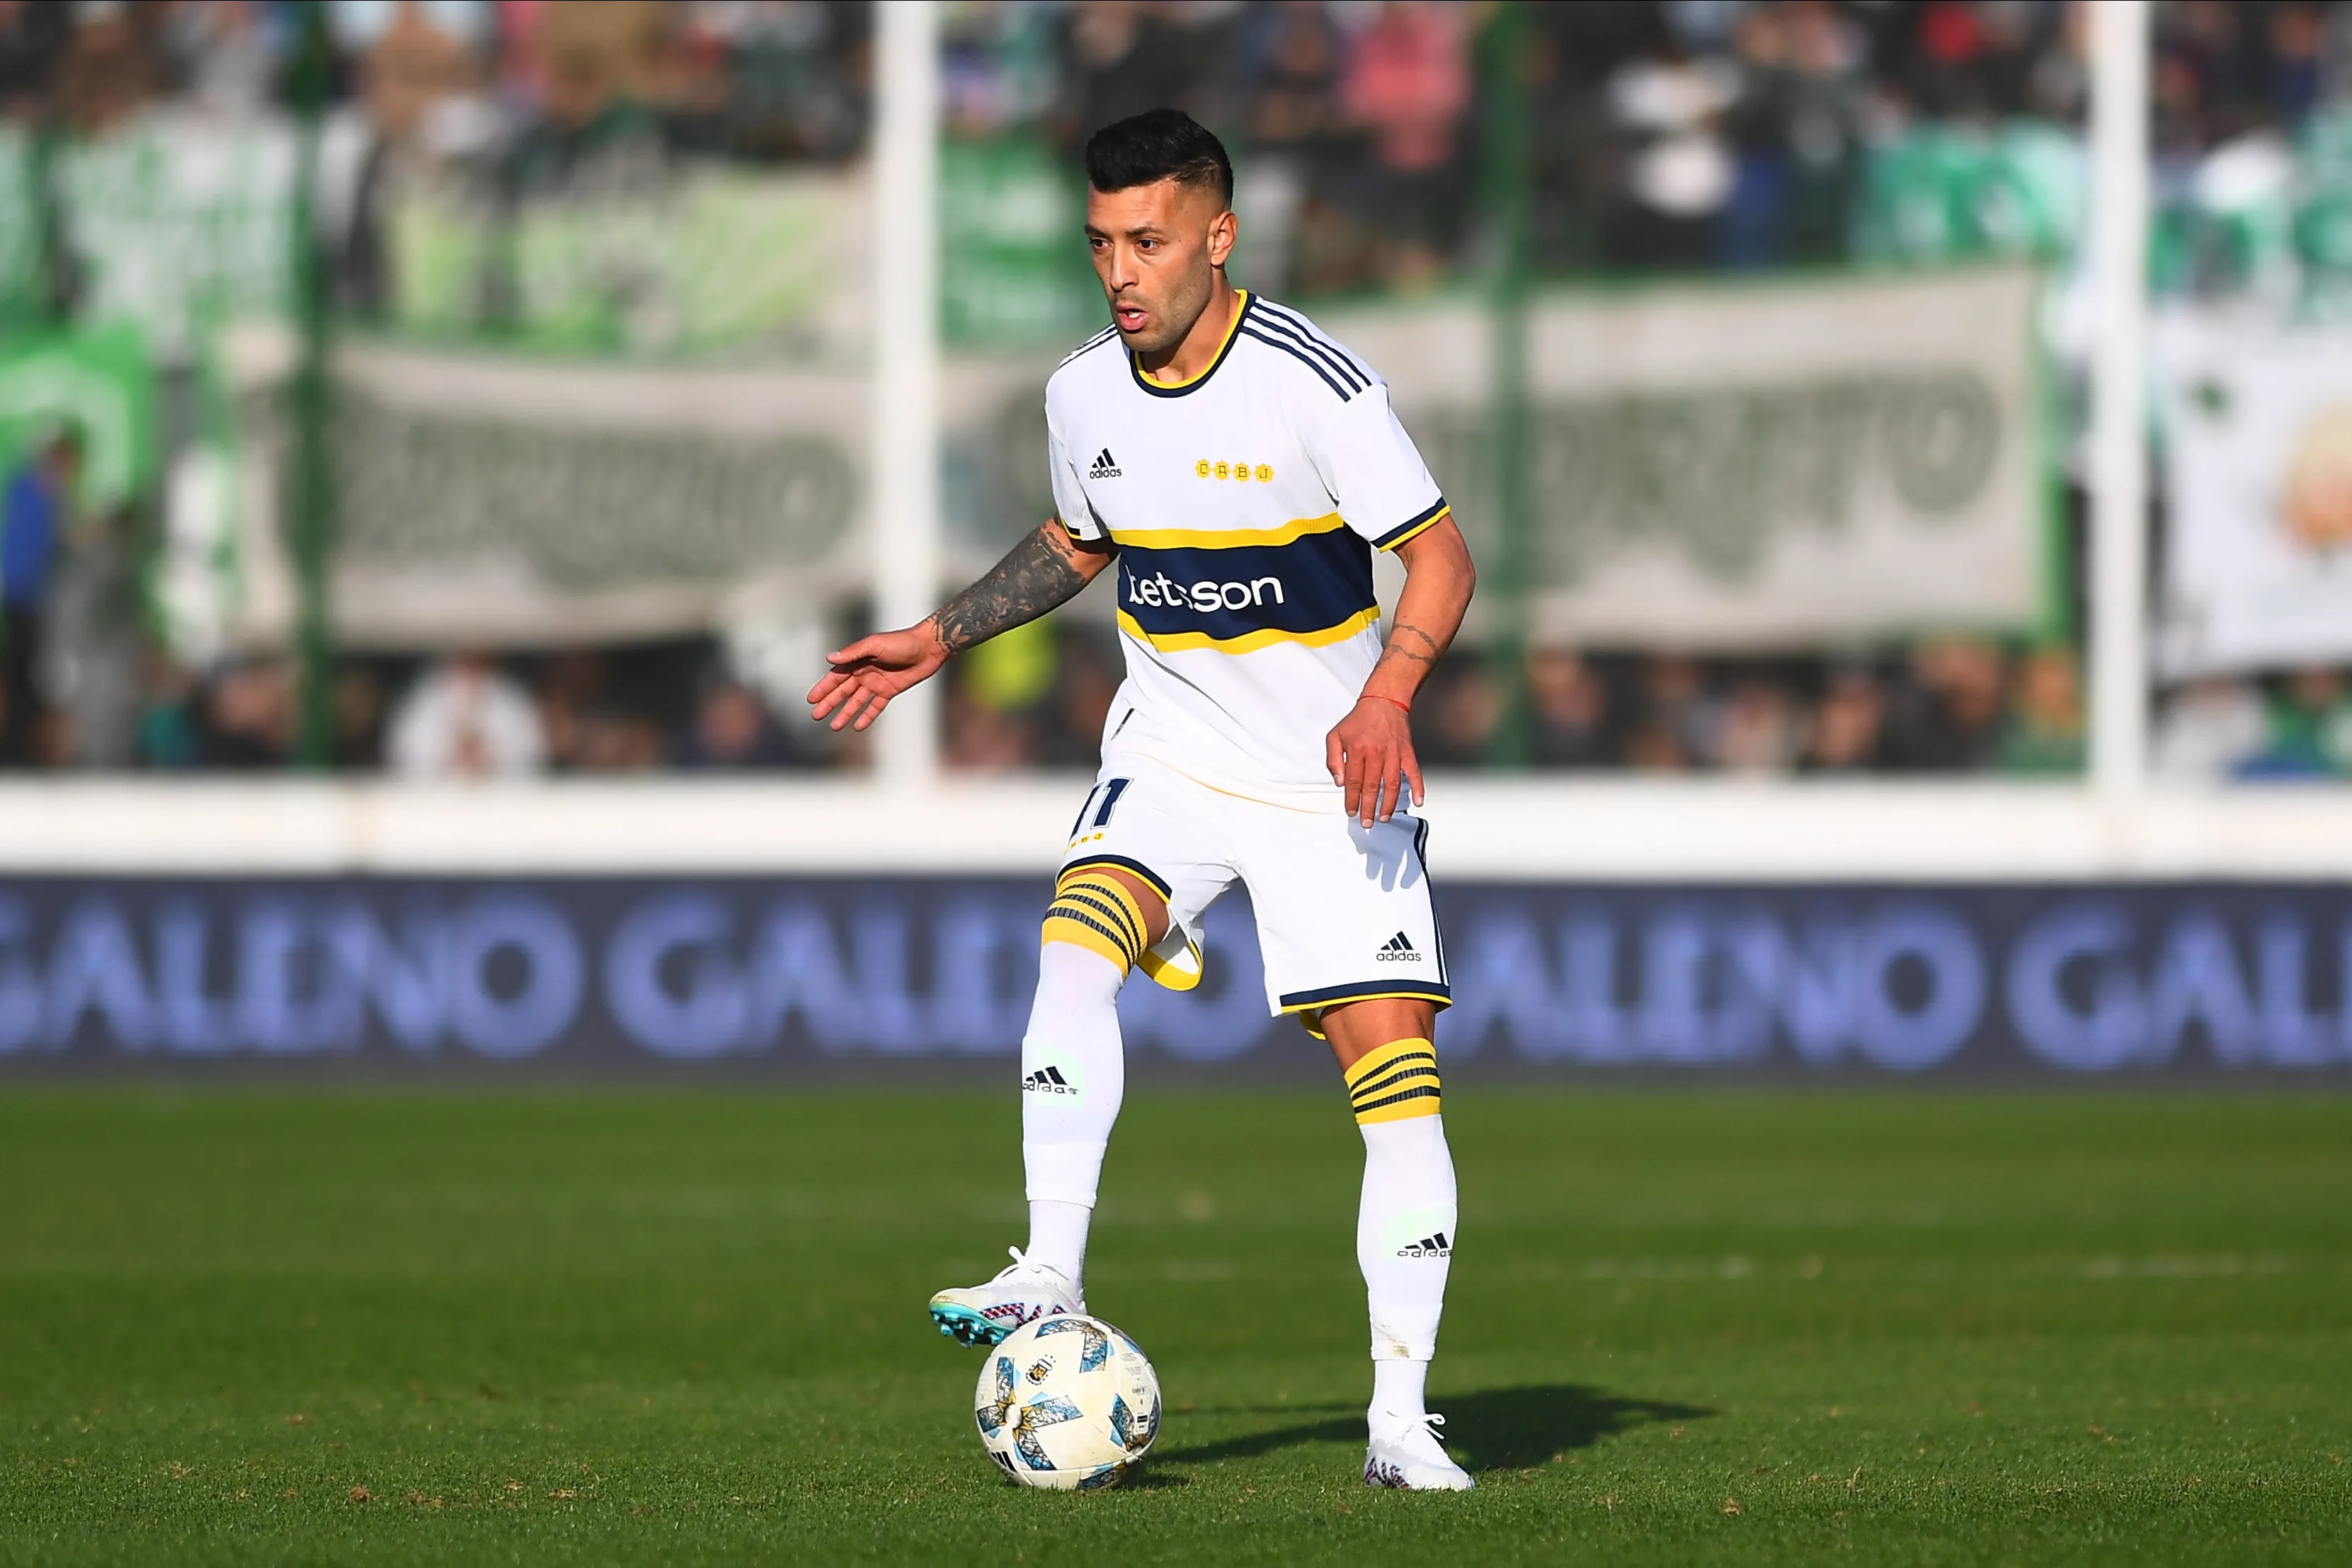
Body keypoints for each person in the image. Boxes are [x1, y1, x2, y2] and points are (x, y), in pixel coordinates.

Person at [807, 109, 1479, 1493]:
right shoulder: (1081, 395)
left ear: (1217, 237)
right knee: (1074, 936)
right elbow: (1077, 539)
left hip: (1325, 776)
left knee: (1391, 1075)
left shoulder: (1313, 386)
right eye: (1102, 241)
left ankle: (1397, 1422)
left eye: (1149, 240)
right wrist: (939, 635)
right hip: (1169, 749)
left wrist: (1386, 695)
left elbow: (1441, 560)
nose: (1120, 270)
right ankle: (1046, 1270)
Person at [0, 425, 79, 768]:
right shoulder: (32, 489)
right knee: (21, 671)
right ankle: (18, 746)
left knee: (27, 672)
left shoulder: (39, 492)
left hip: (29, 596)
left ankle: (22, 745)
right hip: (18, 595)